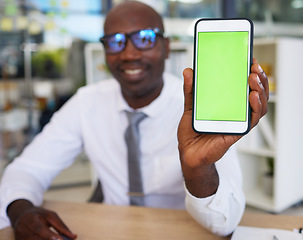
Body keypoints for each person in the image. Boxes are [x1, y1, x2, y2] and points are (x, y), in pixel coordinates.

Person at [0, 1, 269, 239]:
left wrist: (197, 170)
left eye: (145, 38)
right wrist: (21, 211)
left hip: (181, 231)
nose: (129, 54)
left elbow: (225, 223)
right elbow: (27, 169)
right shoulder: (86, 103)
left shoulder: (201, 108)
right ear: (105, 53)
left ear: (166, 47)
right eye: (115, 41)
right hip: (111, 228)